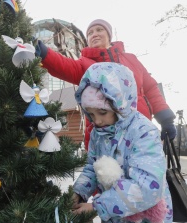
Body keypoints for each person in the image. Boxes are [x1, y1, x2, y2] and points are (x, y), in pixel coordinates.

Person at [35, 19, 176, 148]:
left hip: (140, 132)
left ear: (109, 35)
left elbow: (150, 88)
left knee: (144, 171)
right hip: (104, 138)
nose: (94, 34)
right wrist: (42, 51)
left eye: (99, 30)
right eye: (90, 33)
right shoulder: (85, 65)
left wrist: (166, 119)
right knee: (107, 174)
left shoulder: (131, 59)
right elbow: (63, 66)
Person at [71, 62, 172, 223]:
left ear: (121, 105)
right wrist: (78, 192)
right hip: (114, 217)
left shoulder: (143, 132)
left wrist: (98, 207)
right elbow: (92, 167)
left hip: (145, 218)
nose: (96, 120)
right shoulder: (98, 133)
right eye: (90, 113)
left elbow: (148, 186)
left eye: (102, 112)